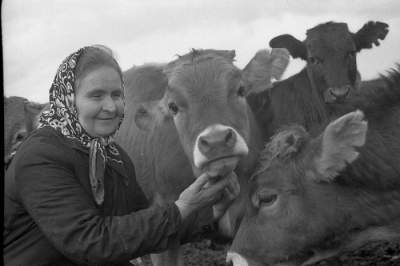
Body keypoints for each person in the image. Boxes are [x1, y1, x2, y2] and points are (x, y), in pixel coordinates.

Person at [3, 45, 240, 266]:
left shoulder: (113, 157)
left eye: (116, 95)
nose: (111, 106)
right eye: (96, 96)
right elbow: (90, 241)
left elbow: (146, 225)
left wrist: (209, 213)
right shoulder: (40, 156)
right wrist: (181, 208)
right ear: (69, 101)